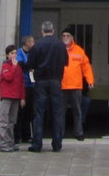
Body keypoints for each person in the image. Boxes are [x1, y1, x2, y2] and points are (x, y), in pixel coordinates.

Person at [25, 20, 68, 153]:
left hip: (41, 81)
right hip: (56, 81)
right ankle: (57, 144)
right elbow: (66, 62)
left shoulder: (37, 45)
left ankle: (37, 144)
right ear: (53, 31)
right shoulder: (60, 45)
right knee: (57, 113)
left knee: (39, 113)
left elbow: (30, 65)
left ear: (42, 31)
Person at [60, 26, 94, 141]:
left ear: (72, 37)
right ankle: (60, 133)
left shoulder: (79, 51)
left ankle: (79, 133)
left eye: (67, 36)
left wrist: (90, 80)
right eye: (63, 36)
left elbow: (86, 67)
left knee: (77, 111)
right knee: (61, 112)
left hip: (75, 86)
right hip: (62, 86)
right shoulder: (58, 49)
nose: (65, 38)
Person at [0, 44, 25, 152]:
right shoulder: (6, 66)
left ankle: (9, 142)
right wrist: (13, 66)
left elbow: (21, 82)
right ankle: (2, 144)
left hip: (16, 96)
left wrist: (22, 97)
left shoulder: (18, 68)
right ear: (7, 55)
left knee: (11, 121)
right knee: (4, 120)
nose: (14, 55)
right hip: (7, 96)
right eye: (12, 53)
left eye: (15, 53)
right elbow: (8, 78)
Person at [15, 35, 34, 144]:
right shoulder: (19, 53)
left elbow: (31, 68)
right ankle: (17, 136)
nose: (33, 44)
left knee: (29, 112)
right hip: (21, 85)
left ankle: (27, 135)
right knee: (19, 112)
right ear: (26, 43)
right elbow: (21, 66)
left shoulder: (31, 53)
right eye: (32, 42)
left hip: (30, 85)